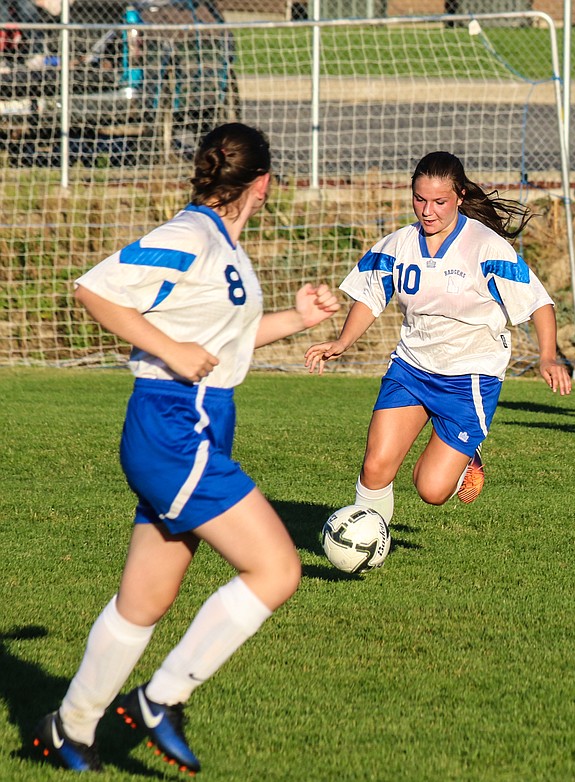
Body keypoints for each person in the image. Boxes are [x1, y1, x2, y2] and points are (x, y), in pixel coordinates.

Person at [33, 123, 340, 774]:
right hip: (174, 425)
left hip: (194, 423)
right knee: (278, 570)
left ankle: (70, 726)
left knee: (145, 601)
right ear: (264, 183)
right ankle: (160, 700)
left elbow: (223, 341)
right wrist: (169, 351)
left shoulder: (222, 244)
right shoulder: (191, 234)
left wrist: (298, 321)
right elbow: (94, 288)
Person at [304, 151, 571, 521]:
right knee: (376, 467)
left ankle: (467, 458)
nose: (427, 211)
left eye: (439, 202)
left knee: (431, 490)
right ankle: (367, 545)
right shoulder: (400, 243)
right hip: (412, 368)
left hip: (469, 376)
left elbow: (539, 303)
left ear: (460, 196)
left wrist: (547, 356)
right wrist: (341, 342)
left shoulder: (486, 246)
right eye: (420, 199)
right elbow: (370, 296)